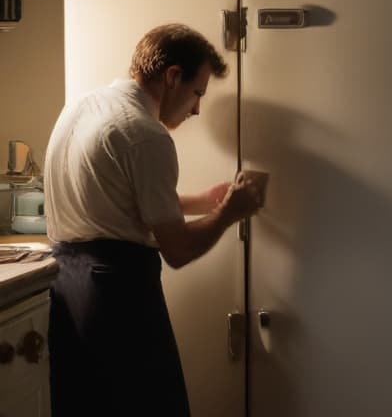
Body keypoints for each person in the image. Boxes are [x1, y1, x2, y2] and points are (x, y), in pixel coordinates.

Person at [44, 23, 263, 417]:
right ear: (172, 76)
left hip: (66, 290)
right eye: (197, 93)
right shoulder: (147, 135)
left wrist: (204, 201)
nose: (196, 108)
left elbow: (117, 199)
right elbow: (177, 250)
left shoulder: (82, 107)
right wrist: (230, 212)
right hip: (116, 294)